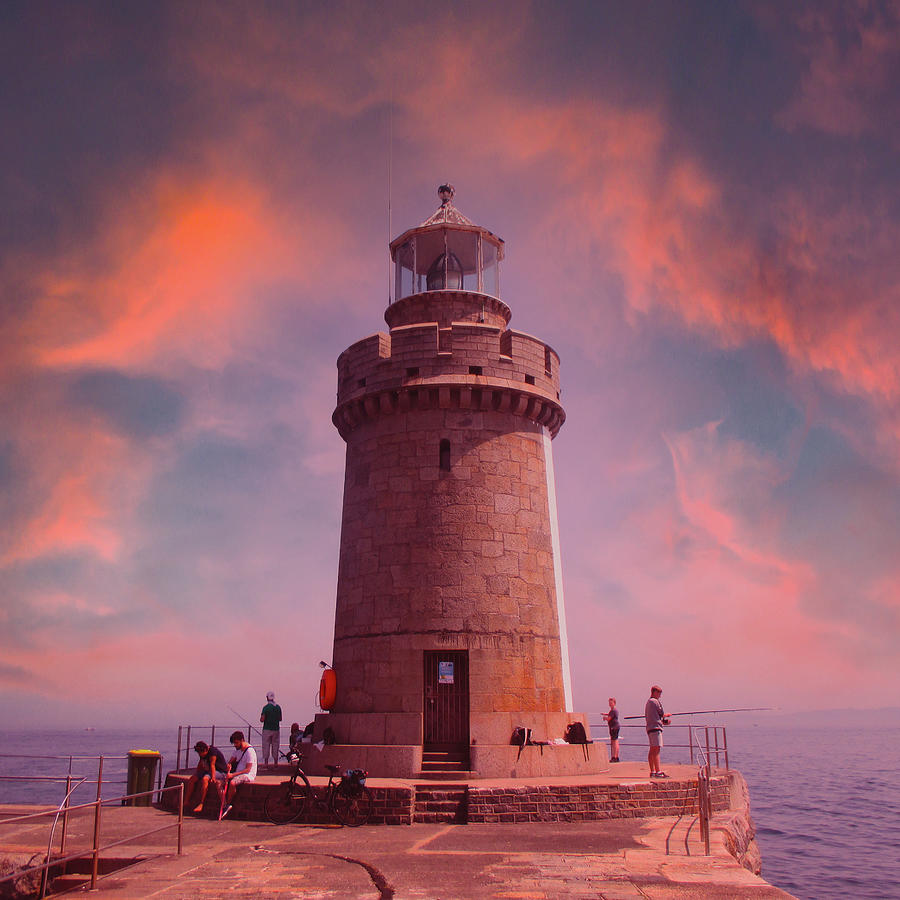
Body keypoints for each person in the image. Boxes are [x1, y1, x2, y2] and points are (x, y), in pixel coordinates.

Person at [220, 730, 258, 819]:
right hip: (236, 773)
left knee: (232, 783)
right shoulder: (237, 750)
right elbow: (231, 761)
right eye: (234, 743)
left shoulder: (250, 751)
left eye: (236, 743)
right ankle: (224, 802)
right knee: (219, 783)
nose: (235, 745)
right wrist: (229, 765)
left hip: (248, 775)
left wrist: (233, 775)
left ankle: (228, 804)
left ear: (242, 740)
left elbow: (248, 769)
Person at [182, 741, 228, 814]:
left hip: (220, 771)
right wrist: (196, 774)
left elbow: (213, 765)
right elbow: (200, 763)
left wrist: (213, 778)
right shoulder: (202, 753)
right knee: (192, 779)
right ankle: (186, 801)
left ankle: (201, 803)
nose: (200, 755)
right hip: (208, 770)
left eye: (201, 753)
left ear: (206, 750)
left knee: (205, 779)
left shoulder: (213, 752)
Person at [645, 684, 671, 777]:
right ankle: (658, 771)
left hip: (650, 728)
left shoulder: (648, 702)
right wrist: (666, 717)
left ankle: (652, 771)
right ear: (654, 692)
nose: (660, 695)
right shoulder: (655, 702)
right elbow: (661, 713)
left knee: (652, 749)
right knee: (656, 749)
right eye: (659, 693)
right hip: (656, 728)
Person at [259, 691, 282, 767]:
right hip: (276, 729)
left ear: (267, 698)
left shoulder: (265, 708)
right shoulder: (278, 707)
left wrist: (262, 718)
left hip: (267, 729)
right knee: (275, 746)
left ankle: (266, 763)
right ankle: (276, 763)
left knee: (266, 745)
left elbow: (262, 719)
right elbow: (280, 718)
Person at [603, 697, 620, 762]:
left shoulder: (613, 711)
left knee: (614, 742)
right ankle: (616, 756)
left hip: (614, 727)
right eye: (609, 703)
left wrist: (605, 718)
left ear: (614, 703)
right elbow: (611, 716)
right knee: (615, 741)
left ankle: (614, 757)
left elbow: (609, 718)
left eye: (611, 703)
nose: (610, 704)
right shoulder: (614, 711)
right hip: (615, 727)